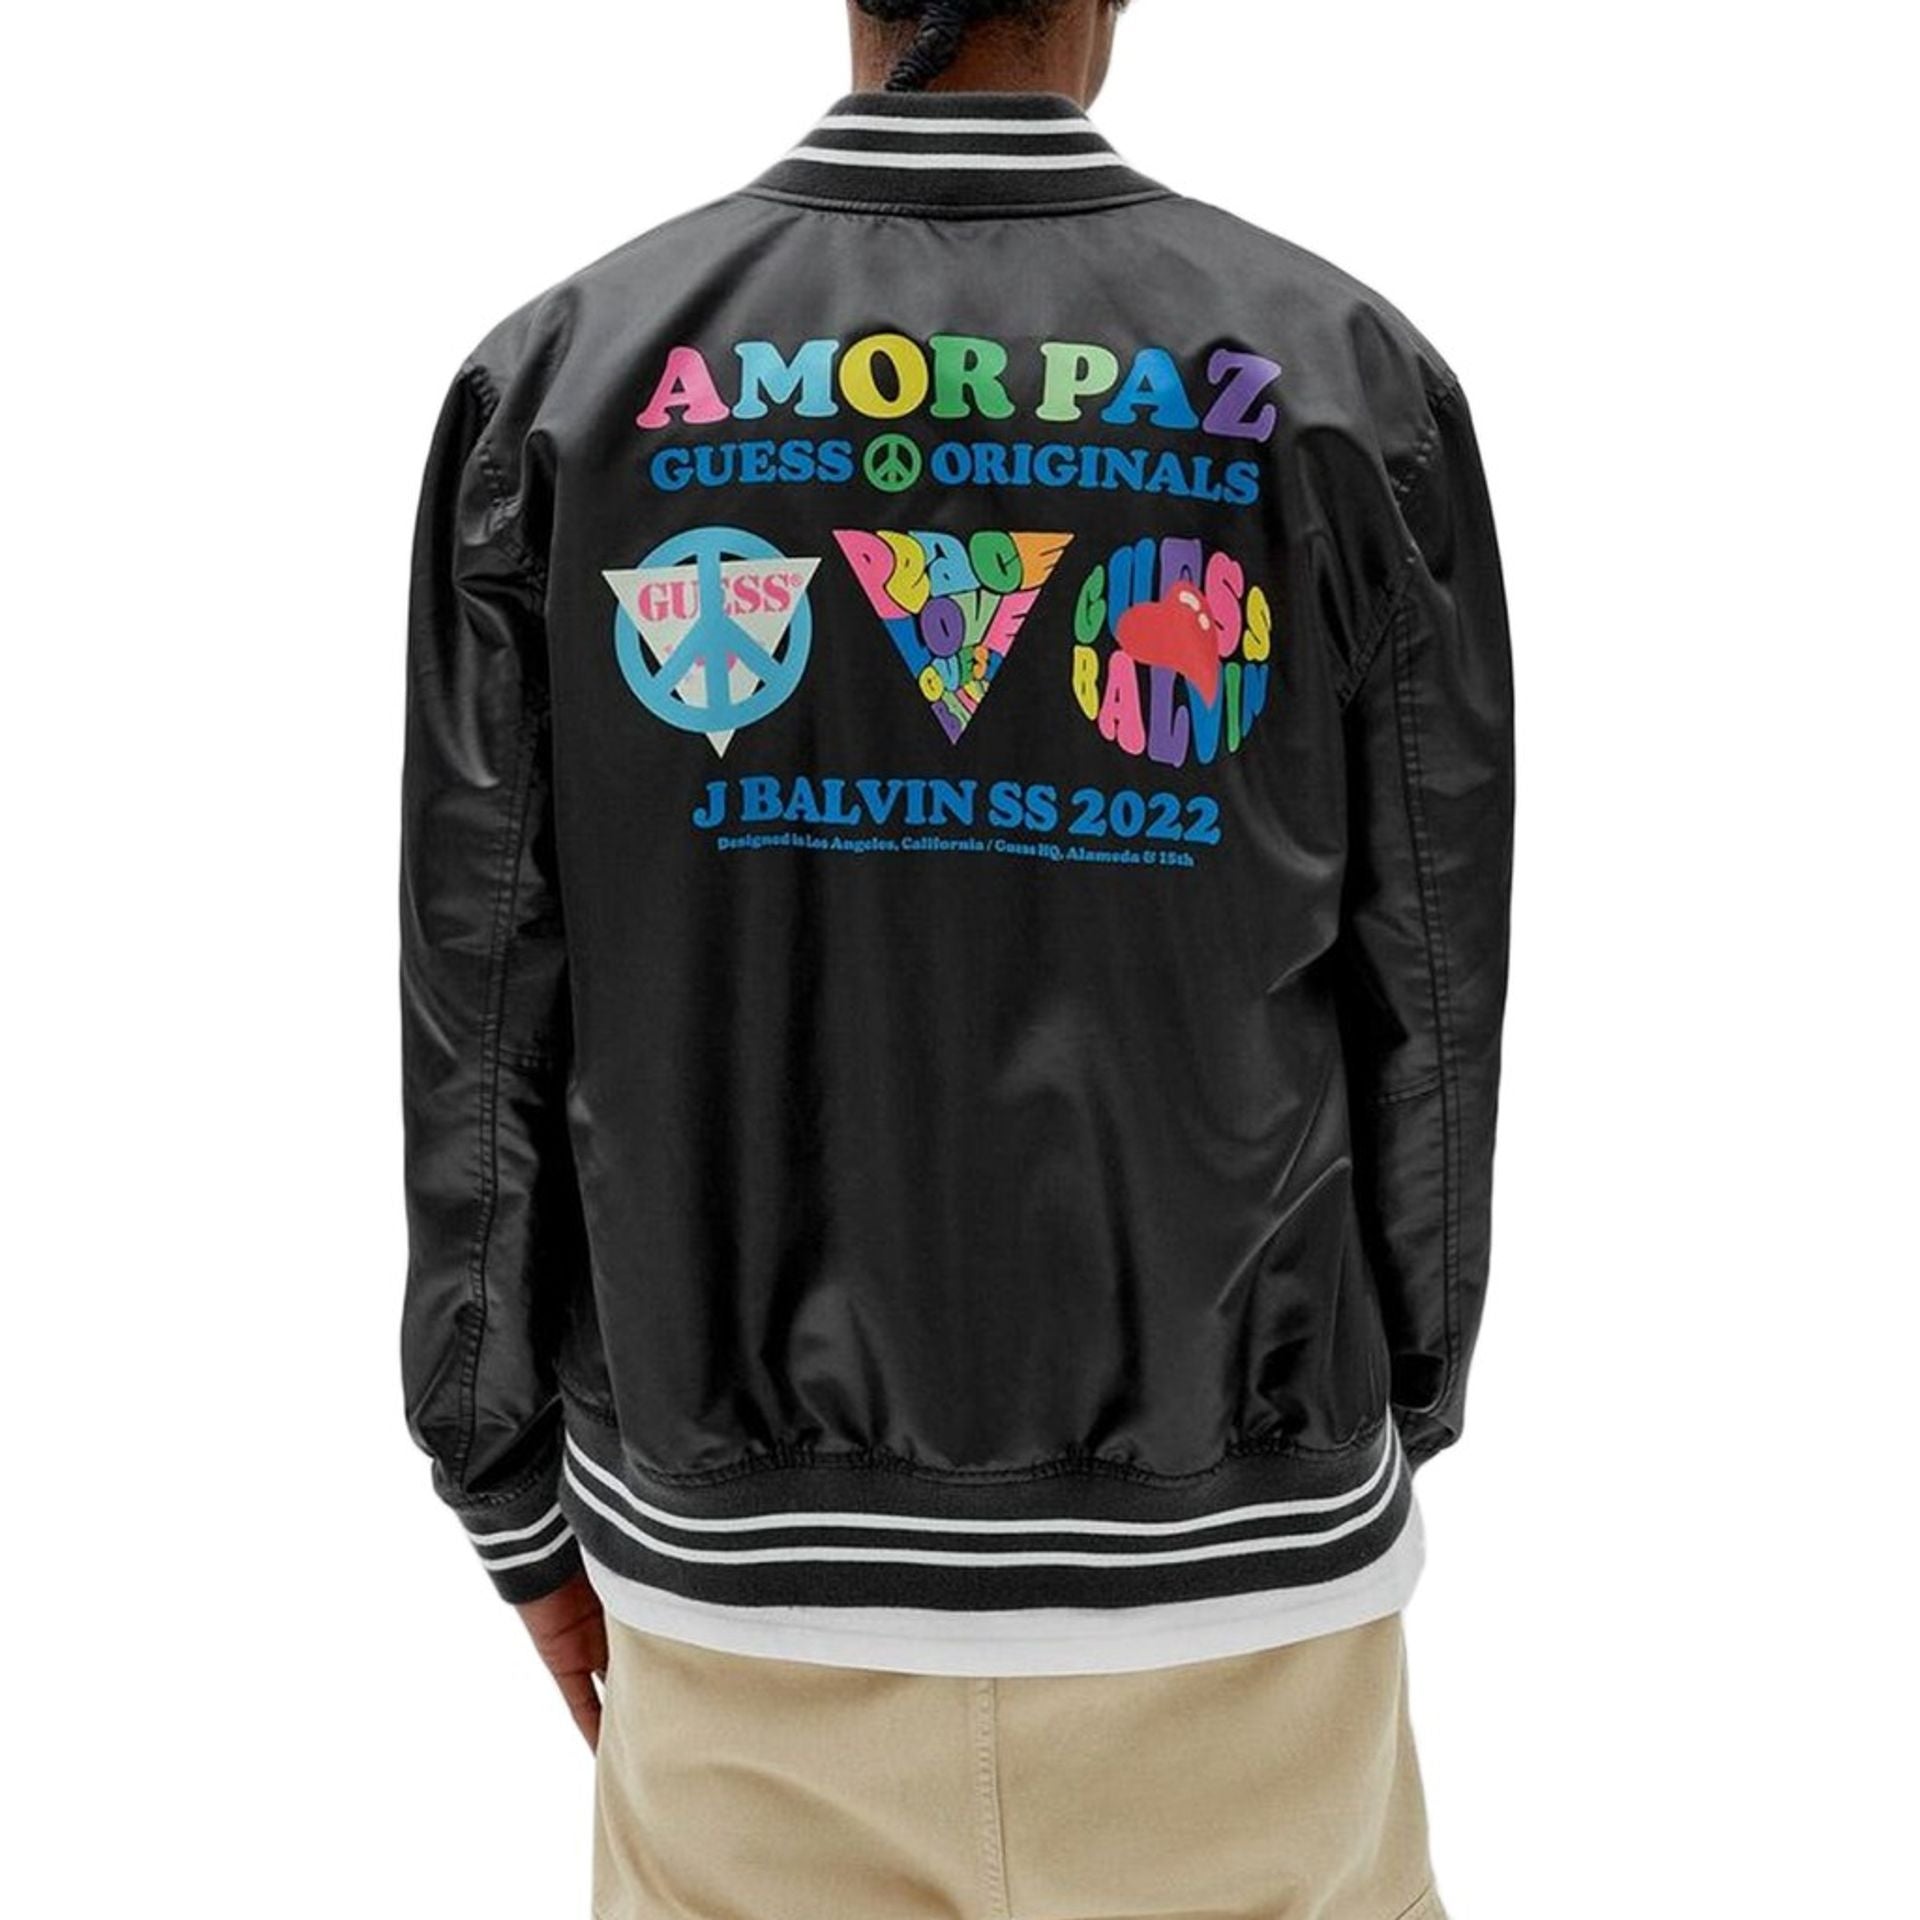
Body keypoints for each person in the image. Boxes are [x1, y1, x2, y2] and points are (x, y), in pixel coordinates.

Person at [397, 2, 1515, 1914]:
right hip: (1237, 1586)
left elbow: (482, 987)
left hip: (743, 1599)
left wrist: (502, 1483)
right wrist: (1377, 1408)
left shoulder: (569, 385)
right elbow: (1432, 980)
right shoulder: (1346, 381)